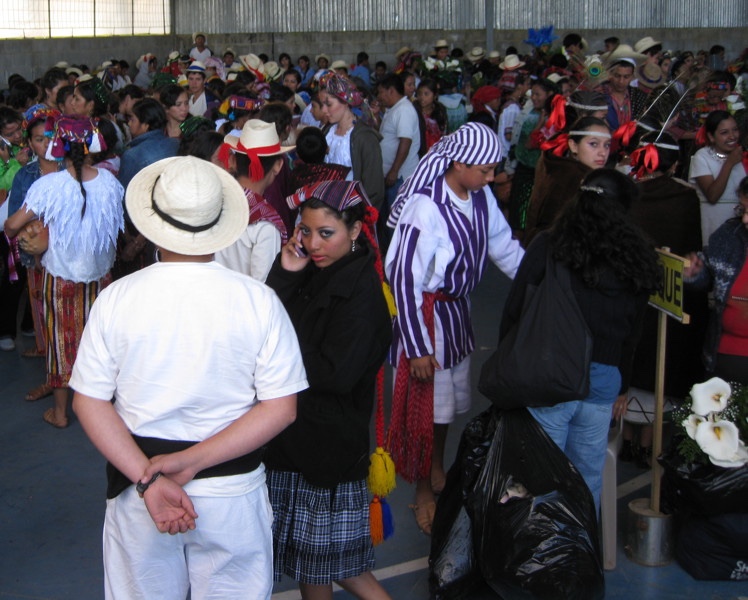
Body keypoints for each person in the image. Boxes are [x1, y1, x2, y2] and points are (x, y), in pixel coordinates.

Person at [68, 156, 306, 599]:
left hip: (139, 487)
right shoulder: (258, 300)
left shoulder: (117, 298)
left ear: (153, 223)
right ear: (219, 222)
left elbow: (88, 401)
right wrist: (193, 461)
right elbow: (281, 408)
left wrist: (147, 479)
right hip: (231, 493)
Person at [385, 123, 524, 534]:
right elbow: (403, 279)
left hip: (455, 316)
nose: (491, 178)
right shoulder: (425, 208)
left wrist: (538, 280)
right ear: (458, 164)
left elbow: (504, 247)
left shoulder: (480, 199)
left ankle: (436, 466)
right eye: (484, 170)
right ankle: (422, 489)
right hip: (425, 321)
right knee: (425, 409)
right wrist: (417, 347)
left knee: (443, 408)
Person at [501, 169, 660, 513]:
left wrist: (507, 366)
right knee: (586, 478)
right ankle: (579, 543)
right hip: (603, 379)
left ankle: (540, 544)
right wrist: (623, 386)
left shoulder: (549, 245)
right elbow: (634, 332)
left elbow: (515, 309)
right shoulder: (637, 256)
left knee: (538, 477)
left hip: (549, 372)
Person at [264, 179, 392, 600]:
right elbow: (267, 320)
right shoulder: (316, 272)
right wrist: (286, 272)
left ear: (354, 230)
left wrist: (277, 356)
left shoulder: (361, 295)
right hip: (300, 441)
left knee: (345, 571)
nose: (313, 244)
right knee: (314, 567)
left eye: (325, 233)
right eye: (305, 231)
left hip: (326, 449)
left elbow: (335, 374)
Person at [4, 116, 125, 429]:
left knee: (61, 340)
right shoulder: (110, 182)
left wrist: (40, 225)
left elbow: (11, 225)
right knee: (98, 339)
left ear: (58, 146)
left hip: (60, 277)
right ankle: (103, 405)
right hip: (101, 277)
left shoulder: (49, 186)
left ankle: (60, 413)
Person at [683, 176, 748, 385]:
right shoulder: (729, 236)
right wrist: (695, 273)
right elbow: (709, 279)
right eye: (743, 209)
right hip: (726, 356)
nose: (745, 219)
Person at [215, 119, 290, 282]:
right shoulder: (266, 224)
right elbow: (263, 285)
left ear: (233, 161)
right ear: (278, 166)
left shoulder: (212, 200)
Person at [523, 114, 612, 246]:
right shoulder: (569, 179)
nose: (602, 153)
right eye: (594, 144)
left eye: (607, 145)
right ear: (573, 145)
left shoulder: (563, 169)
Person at [320, 74, 384, 209]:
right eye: (322, 104)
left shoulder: (365, 138)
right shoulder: (327, 132)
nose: (324, 110)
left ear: (345, 102)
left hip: (352, 213)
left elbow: (374, 188)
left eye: (329, 104)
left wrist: (363, 216)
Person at [688, 110, 745, 245]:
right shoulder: (701, 157)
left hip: (742, 225)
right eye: (724, 132)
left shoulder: (742, 156)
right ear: (711, 136)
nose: (732, 136)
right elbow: (712, 196)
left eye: (735, 130)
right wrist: (729, 163)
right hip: (715, 223)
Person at [377, 73, 420, 207]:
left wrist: (394, 171)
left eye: (381, 92)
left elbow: (405, 141)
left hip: (400, 176)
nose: (379, 96)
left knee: (395, 213)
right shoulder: (394, 109)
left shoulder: (404, 110)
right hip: (391, 174)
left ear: (391, 91)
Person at [118, 98, 180, 189]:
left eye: (132, 120)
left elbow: (124, 190)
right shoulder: (176, 143)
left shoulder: (132, 155)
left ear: (145, 125)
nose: (129, 123)